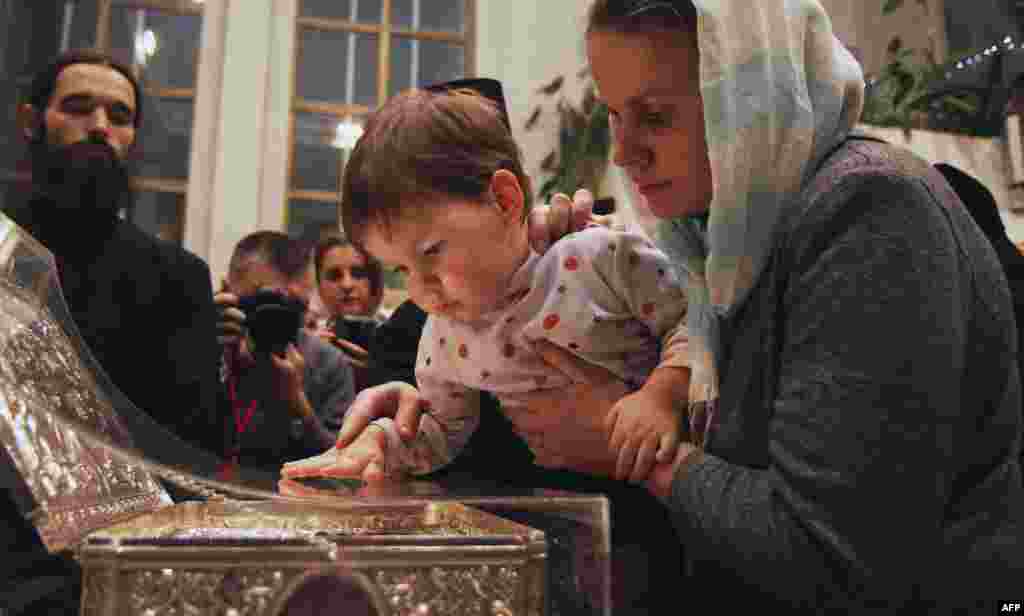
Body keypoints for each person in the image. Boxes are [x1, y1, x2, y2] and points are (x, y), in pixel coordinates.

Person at [294, 0, 1024, 610]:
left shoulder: (866, 208)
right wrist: (412, 419)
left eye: (657, 116)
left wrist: (634, 451)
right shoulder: (719, 238)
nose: (626, 151)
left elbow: (832, 558)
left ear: (750, 91)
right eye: (615, 115)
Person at [284, 85, 691, 484]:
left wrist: (663, 394)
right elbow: (440, 434)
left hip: (663, 502)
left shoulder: (596, 257)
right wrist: (381, 443)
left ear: (505, 200)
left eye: (431, 252)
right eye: (401, 271)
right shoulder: (444, 332)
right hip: (557, 510)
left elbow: (695, 323)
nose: (422, 291)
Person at [1, 49, 224, 616]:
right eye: (78, 107)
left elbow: (192, 454)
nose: (100, 127)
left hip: (115, 568)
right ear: (32, 122)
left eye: (119, 116)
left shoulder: (178, 277)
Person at [215, 231, 356, 473]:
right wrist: (207, 347)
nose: (277, 318)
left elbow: (343, 466)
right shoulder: (207, 346)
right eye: (264, 301)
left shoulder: (328, 363)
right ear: (228, 291)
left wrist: (298, 405)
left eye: (294, 306)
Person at [308, 235, 386, 389]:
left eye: (358, 274)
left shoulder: (401, 335)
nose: (347, 284)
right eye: (334, 276)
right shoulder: (307, 341)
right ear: (319, 285)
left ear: (374, 281)